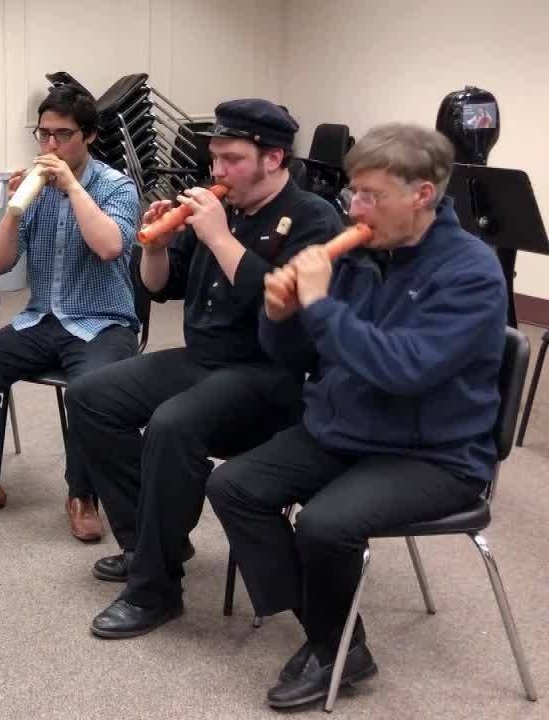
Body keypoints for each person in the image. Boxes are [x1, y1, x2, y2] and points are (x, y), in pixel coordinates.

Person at [206, 124, 506, 709]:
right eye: (354, 193)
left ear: (423, 195)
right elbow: (300, 358)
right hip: (349, 428)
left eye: (371, 195)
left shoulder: (470, 271)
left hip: (437, 454)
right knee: (234, 484)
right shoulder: (358, 252)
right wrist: (282, 314)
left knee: (324, 524)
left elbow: (404, 369)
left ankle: (331, 645)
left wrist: (318, 305)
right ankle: (335, 636)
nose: (355, 207)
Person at [67, 99, 344, 639]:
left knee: (174, 424)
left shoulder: (313, 217)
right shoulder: (220, 207)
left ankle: (155, 589)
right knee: (89, 397)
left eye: (232, 159)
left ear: (274, 158)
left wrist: (219, 236)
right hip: (203, 360)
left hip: (272, 375)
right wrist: (159, 246)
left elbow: (282, 303)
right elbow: (158, 287)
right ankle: (148, 542)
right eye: (214, 158)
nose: (217, 171)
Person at [0, 84, 142, 538]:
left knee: (90, 391)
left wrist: (70, 187)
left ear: (89, 136)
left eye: (61, 135)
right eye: (42, 134)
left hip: (104, 321)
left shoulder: (116, 187)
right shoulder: (36, 187)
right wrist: (14, 208)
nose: (49, 146)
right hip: (43, 317)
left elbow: (109, 247)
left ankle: (82, 495)